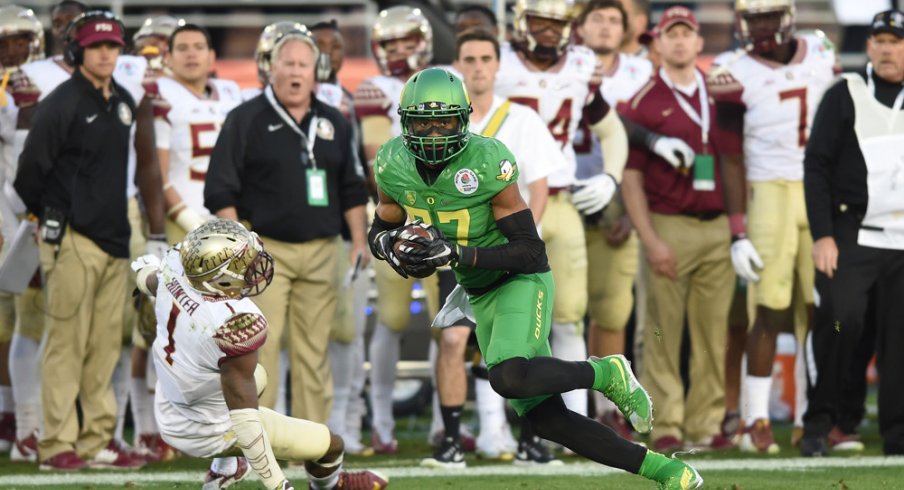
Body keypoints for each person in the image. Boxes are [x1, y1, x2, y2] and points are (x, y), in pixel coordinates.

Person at [370, 66, 701, 490]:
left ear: (464, 119)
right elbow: (381, 228)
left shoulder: (488, 161)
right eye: (423, 122)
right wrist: (391, 247)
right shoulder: (392, 161)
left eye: (445, 122)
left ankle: (604, 373)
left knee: (507, 377)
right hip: (476, 289)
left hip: (518, 279)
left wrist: (457, 252)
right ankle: (669, 472)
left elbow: (530, 251)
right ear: (404, 122)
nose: (434, 133)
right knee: (548, 420)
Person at [130, 219, 388, 490]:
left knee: (257, 375)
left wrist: (144, 275)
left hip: (170, 399)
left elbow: (148, 277)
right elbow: (247, 424)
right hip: (202, 430)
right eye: (244, 264)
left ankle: (226, 467)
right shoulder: (232, 323)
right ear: (221, 278)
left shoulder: (177, 271)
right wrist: (279, 484)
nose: (254, 267)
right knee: (331, 445)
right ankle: (330, 485)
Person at [14, 10, 165, 470]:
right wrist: (50, 219)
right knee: (66, 343)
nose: (106, 53)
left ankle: (97, 438)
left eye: (114, 46)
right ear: (77, 50)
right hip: (73, 237)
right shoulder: (59, 102)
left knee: (105, 347)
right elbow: (28, 176)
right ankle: (56, 441)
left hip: (115, 236)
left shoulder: (121, 100)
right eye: (97, 46)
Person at [205, 28, 369, 425]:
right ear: (270, 68)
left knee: (314, 350)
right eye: (289, 64)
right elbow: (220, 188)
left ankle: (311, 444)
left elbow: (351, 187)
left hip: (323, 248)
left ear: (318, 72)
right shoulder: (245, 118)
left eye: (304, 65)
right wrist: (242, 249)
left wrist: (359, 239)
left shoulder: (334, 121)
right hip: (265, 251)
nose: (296, 72)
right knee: (261, 348)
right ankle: (265, 439)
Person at [420, 28, 566, 468]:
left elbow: (539, 185)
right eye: (470, 58)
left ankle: (530, 438)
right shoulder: (438, 118)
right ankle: (450, 439)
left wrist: (526, 239)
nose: (478, 66)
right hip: (456, 249)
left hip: (509, 250)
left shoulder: (522, 119)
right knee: (453, 341)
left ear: (498, 64)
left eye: (486, 57)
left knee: (523, 347)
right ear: (458, 66)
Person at [708, 0, 838, 453]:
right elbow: (729, 155)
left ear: (786, 15)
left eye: (768, 15)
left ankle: (812, 418)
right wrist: (739, 229)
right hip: (768, 190)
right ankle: (754, 419)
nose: (761, 26)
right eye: (753, 17)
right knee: (768, 308)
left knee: (818, 309)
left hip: (819, 188)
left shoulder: (821, 53)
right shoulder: (732, 69)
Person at [494, 0, 627, 432]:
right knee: (496, 319)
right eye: (540, 22)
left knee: (570, 312)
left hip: (561, 202)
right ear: (521, 22)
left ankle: (577, 420)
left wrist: (612, 175)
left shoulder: (581, 66)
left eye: (558, 24)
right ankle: (500, 426)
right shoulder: (498, 63)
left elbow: (610, 128)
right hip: (502, 204)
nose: (549, 32)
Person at [621, 6, 735, 453]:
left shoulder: (718, 93)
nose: (681, 41)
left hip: (718, 222)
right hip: (668, 222)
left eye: (688, 33)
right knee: (661, 331)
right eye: (672, 35)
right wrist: (649, 238)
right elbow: (630, 179)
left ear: (700, 42)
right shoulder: (642, 100)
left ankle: (707, 421)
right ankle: (665, 419)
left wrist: (738, 229)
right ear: (658, 43)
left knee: (712, 331)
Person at [800, 9, 904, 457]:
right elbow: (817, 166)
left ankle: (897, 434)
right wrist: (823, 234)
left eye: (896, 41)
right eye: (879, 40)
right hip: (853, 234)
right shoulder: (845, 93)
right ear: (869, 47)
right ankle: (822, 423)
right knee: (840, 321)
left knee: (899, 340)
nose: (886, 48)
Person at [353, 5, 440, 453]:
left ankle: (445, 422)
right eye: (393, 44)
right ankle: (382, 421)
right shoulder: (375, 89)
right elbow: (374, 164)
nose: (402, 52)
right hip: (397, 214)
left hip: (446, 217)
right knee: (390, 318)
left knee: (448, 320)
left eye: (410, 43)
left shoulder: (444, 82)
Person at [573, 0, 652, 439]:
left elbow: (638, 149)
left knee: (613, 310)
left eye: (613, 20)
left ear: (626, 29)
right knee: (562, 313)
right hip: (563, 196)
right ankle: (564, 409)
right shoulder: (564, 65)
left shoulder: (639, 74)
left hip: (616, 203)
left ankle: (607, 409)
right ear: (580, 25)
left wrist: (628, 205)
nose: (605, 27)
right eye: (597, 19)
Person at [310, 19, 373, 455]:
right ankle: (296, 422)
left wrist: (360, 233)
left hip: (343, 230)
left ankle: (347, 421)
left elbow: (359, 175)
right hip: (297, 232)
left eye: (336, 46)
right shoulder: (270, 105)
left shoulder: (349, 103)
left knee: (348, 334)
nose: (328, 53)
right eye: (319, 46)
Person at [0, 4, 44, 456]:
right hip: (7, 215)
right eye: (5, 43)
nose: (14, 51)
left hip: (20, 219)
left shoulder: (44, 82)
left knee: (22, 322)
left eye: (20, 41)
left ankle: (20, 422)